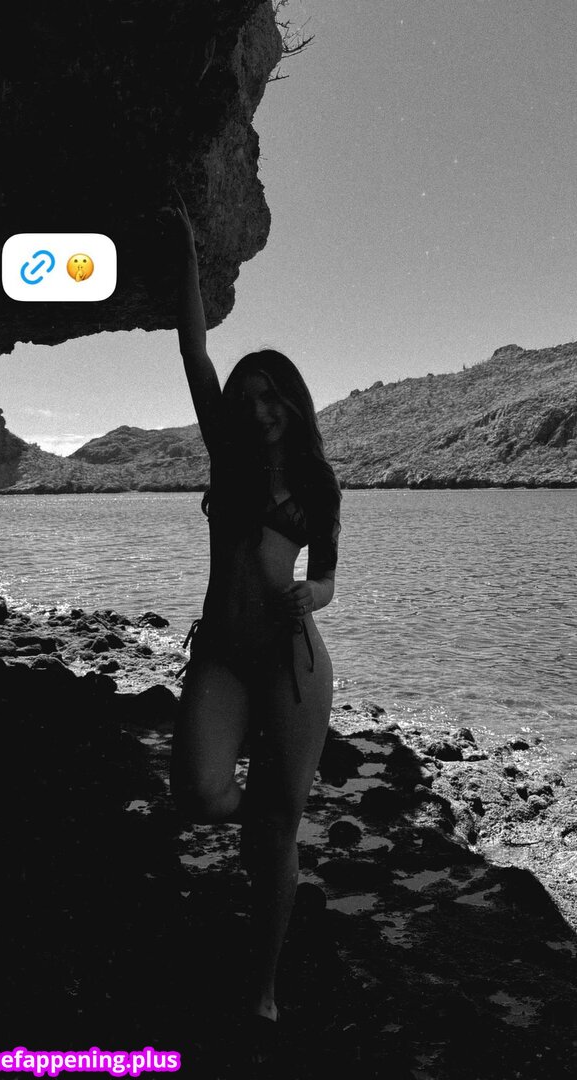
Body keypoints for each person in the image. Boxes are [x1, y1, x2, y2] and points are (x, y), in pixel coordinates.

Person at [167, 190, 341, 1049]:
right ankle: (272, 820)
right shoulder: (225, 456)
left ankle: (264, 985)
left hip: (290, 660)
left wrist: (316, 594)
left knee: (274, 841)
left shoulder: (316, 483)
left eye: (273, 397)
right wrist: (185, 251)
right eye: (251, 396)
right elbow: (194, 349)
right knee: (200, 791)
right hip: (223, 653)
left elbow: (327, 578)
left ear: (293, 404)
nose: (261, 408)